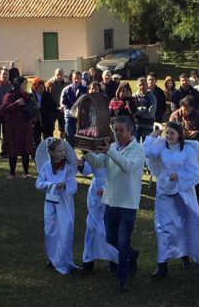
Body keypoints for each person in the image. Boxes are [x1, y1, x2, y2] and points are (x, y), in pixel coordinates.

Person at [83, 116, 146, 292]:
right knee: (111, 238)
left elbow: (127, 167)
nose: (117, 134)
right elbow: (98, 162)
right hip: (110, 201)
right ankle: (132, 255)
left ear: (130, 131)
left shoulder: (138, 150)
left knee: (123, 241)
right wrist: (86, 150)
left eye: (121, 130)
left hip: (128, 203)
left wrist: (110, 151)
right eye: (115, 130)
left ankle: (122, 279)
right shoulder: (113, 147)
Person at [144, 122, 199, 280]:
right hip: (164, 189)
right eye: (167, 133)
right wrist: (151, 137)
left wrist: (180, 176)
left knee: (183, 224)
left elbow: (196, 173)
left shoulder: (188, 150)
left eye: (172, 133)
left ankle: (185, 254)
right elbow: (147, 152)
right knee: (163, 227)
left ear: (179, 135)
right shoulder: (162, 145)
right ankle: (162, 265)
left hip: (183, 191)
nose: (169, 136)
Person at [35, 138, 78, 274]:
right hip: (51, 203)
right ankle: (53, 257)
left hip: (65, 203)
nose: (62, 154)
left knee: (65, 229)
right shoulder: (46, 166)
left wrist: (66, 185)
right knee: (51, 230)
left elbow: (73, 184)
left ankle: (63, 260)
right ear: (52, 152)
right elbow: (39, 183)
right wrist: (52, 185)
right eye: (59, 151)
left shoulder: (68, 167)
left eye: (63, 151)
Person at [77, 157, 119, 274]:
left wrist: (106, 189)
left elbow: (119, 175)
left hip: (110, 193)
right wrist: (80, 164)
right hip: (95, 193)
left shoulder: (115, 152)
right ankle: (88, 261)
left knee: (108, 227)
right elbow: (86, 171)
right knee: (91, 226)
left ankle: (115, 260)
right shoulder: (94, 153)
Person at [1, 76, 35, 179]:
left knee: (26, 150)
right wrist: (16, 104)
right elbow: (4, 109)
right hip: (14, 127)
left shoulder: (28, 96)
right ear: (18, 85)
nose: (25, 86)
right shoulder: (9, 95)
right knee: (13, 150)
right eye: (23, 84)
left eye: (26, 84)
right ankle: (12, 172)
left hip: (25, 127)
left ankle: (26, 172)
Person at [61, 71, 87, 146]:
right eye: (75, 78)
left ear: (81, 79)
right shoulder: (66, 90)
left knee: (83, 140)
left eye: (78, 78)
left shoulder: (85, 89)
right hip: (70, 117)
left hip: (82, 118)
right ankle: (70, 155)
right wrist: (73, 111)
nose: (76, 80)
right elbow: (64, 103)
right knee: (69, 139)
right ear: (71, 79)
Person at [31, 78, 57, 150]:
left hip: (47, 121)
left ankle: (49, 154)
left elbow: (53, 105)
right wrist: (36, 107)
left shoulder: (47, 95)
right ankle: (35, 155)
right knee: (36, 140)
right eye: (40, 88)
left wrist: (58, 108)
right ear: (35, 88)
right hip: (36, 122)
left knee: (48, 139)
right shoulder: (31, 96)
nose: (42, 89)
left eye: (43, 87)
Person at [133, 77, 157, 141]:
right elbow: (132, 112)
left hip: (148, 126)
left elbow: (150, 114)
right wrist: (144, 109)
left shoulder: (152, 98)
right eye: (140, 85)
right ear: (137, 86)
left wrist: (138, 113)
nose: (142, 86)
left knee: (147, 146)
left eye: (144, 84)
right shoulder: (134, 97)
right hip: (136, 126)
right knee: (134, 146)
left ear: (147, 84)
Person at [49, 68, 67, 138]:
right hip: (52, 109)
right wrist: (54, 106)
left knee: (62, 128)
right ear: (55, 75)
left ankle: (60, 143)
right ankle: (51, 144)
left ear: (63, 75)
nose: (59, 76)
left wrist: (63, 106)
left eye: (61, 75)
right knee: (50, 127)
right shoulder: (50, 83)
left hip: (62, 109)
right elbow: (48, 97)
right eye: (58, 75)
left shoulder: (66, 83)